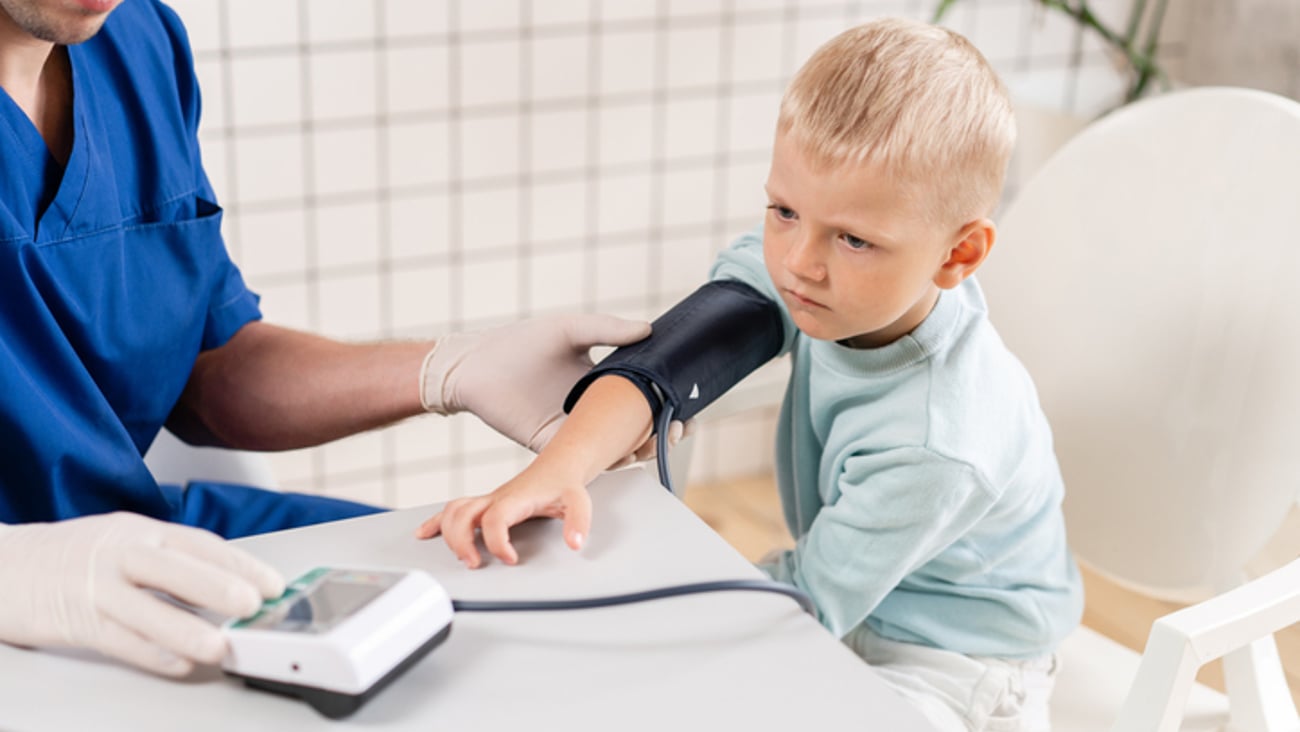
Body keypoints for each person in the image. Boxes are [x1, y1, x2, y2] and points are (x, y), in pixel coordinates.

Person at [418, 18, 1085, 732]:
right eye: (783, 211)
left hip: (961, 663)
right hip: (858, 598)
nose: (799, 260)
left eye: (854, 239)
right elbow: (667, 366)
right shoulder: (840, 287)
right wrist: (559, 468)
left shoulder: (939, 443)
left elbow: (803, 603)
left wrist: (617, 629)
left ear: (958, 255)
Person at [0, 0, 670, 678]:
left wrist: (450, 370)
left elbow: (209, 369)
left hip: (153, 537)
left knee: (493, 610)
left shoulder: (139, 43)